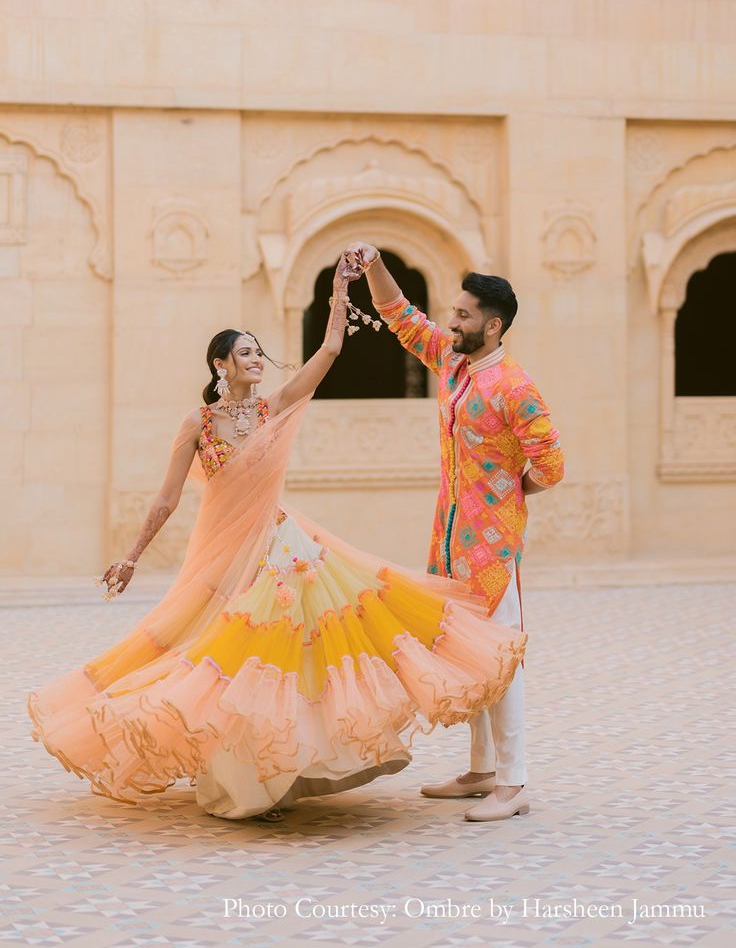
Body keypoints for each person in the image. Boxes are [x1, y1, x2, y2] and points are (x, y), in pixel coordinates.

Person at [28, 253, 526, 822]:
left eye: (259, 351)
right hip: (224, 555)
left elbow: (331, 351)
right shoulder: (198, 423)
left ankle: (275, 778)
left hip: (281, 551)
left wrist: (340, 290)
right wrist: (131, 557)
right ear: (221, 364)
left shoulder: (272, 408)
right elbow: (167, 498)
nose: (257, 359)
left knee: (284, 662)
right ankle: (236, 779)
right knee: (219, 661)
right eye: (245, 353)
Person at [345, 243, 564, 823]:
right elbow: (401, 317)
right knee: (470, 655)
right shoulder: (452, 359)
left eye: (464, 315)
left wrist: (508, 499)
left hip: (493, 546)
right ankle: (482, 770)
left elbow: (551, 464)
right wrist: (372, 265)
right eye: (455, 311)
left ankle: (514, 783)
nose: (452, 321)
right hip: (449, 532)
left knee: (501, 658)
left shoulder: (514, 386)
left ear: (493, 326)